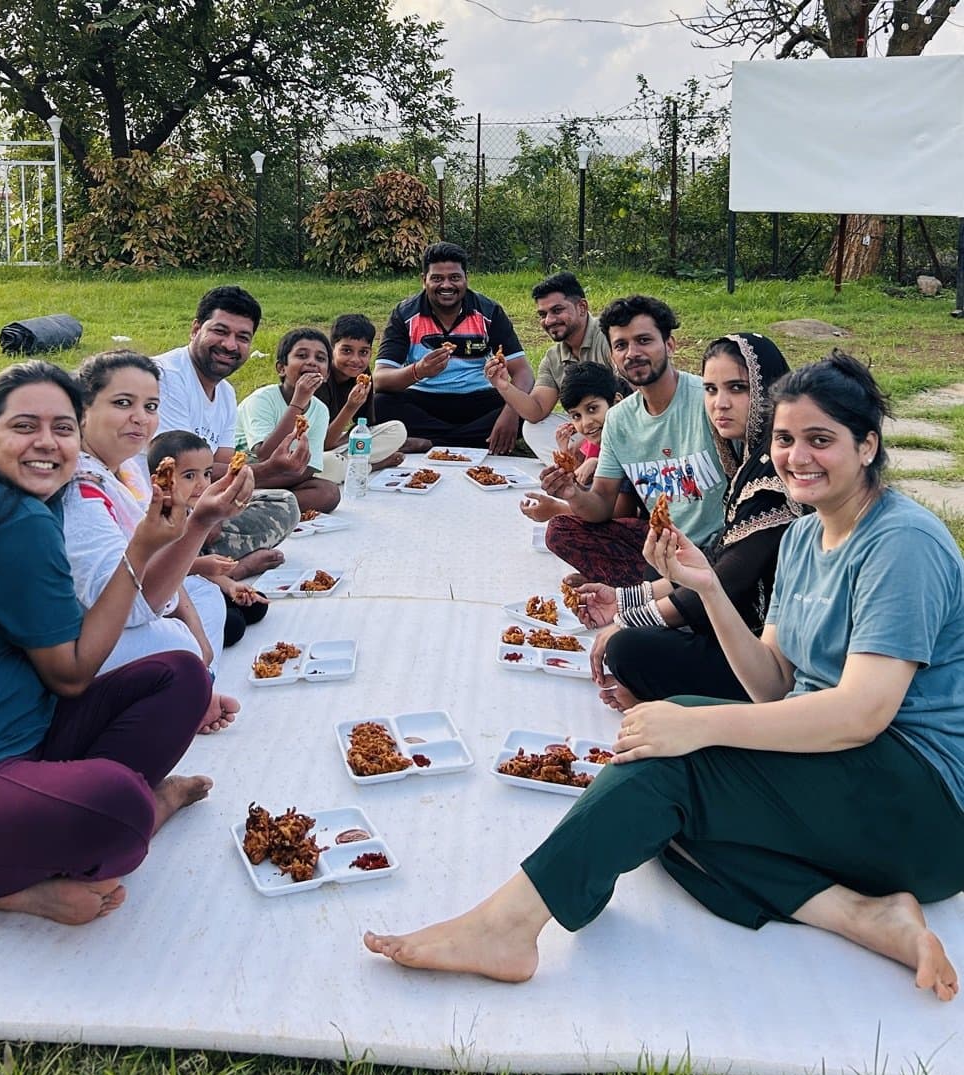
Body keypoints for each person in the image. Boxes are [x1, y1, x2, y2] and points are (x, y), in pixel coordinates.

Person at [364, 350, 964, 1002]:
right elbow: (772, 684)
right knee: (655, 816)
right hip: (842, 774)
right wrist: (707, 589)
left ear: (867, 445)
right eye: (786, 439)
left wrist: (699, 725)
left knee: (668, 762)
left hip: (921, 806)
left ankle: (508, 927)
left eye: (821, 440)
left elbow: (861, 715)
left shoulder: (901, 543)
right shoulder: (802, 538)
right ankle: (864, 915)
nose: (797, 457)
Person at [0, 361, 228, 924]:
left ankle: (54, 838)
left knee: (181, 676)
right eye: (25, 426)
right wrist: (142, 549)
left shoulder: (22, 501)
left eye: (62, 428)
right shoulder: (12, 515)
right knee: (119, 803)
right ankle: (16, 878)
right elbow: (71, 673)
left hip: (18, 737)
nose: (47, 442)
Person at [580, 333, 803, 707]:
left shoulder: (774, 473)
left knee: (627, 649)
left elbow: (727, 580)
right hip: (738, 620)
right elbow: (717, 564)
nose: (720, 403)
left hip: (774, 664)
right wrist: (624, 599)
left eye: (737, 388)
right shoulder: (749, 460)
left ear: (771, 392)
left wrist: (629, 620)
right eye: (711, 390)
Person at [63, 351, 240, 733]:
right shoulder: (80, 489)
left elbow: (163, 563)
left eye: (151, 406)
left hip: (141, 604)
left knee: (206, 599)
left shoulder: (129, 467)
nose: (140, 418)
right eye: (123, 403)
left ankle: (195, 688)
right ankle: (188, 698)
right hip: (83, 638)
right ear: (82, 409)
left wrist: (197, 636)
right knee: (178, 644)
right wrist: (200, 523)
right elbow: (124, 610)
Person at [540, 294, 726, 586]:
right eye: (621, 345)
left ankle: (650, 591)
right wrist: (571, 492)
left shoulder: (709, 398)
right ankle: (656, 588)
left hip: (720, 548)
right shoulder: (618, 419)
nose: (632, 353)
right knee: (560, 531)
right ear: (612, 357)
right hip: (661, 546)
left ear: (670, 345)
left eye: (644, 340)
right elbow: (602, 503)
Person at [153, 284, 307, 575]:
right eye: (220, 331)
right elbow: (177, 471)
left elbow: (224, 462)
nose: (230, 345)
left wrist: (226, 501)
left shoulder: (225, 392)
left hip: (196, 499)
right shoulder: (166, 378)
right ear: (195, 329)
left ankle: (198, 564)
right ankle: (211, 569)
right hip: (161, 505)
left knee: (284, 503)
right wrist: (268, 470)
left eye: (242, 337)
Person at [373, 242, 531, 452]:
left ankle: (430, 443)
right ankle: (469, 442)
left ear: (466, 279)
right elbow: (380, 379)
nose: (446, 285)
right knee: (377, 404)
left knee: (528, 406)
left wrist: (511, 413)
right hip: (423, 399)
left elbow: (523, 372)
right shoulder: (405, 314)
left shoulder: (489, 311)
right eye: (437, 278)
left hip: (478, 398)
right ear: (424, 280)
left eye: (454, 278)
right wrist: (418, 371)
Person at [147, 429, 270, 652]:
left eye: (207, 474)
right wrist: (202, 565)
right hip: (163, 600)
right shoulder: (156, 518)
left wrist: (231, 586)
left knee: (256, 605)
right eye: (189, 476)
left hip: (193, 584)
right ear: (162, 479)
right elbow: (159, 571)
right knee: (233, 625)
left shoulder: (187, 511)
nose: (202, 484)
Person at [485, 271, 616, 462]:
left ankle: (595, 466)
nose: (549, 321)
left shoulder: (610, 338)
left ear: (582, 307)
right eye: (542, 314)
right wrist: (503, 385)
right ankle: (576, 469)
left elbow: (634, 401)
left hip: (624, 424)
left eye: (557, 310)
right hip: (589, 426)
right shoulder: (553, 357)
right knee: (534, 428)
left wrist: (586, 444)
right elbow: (536, 411)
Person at [236, 328, 341, 514]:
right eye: (302, 355)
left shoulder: (320, 410)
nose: (312, 362)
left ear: (326, 375)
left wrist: (288, 479)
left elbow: (310, 467)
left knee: (329, 493)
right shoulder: (262, 399)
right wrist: (298, 402)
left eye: (320, 358)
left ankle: (260, 507)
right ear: (281, 368)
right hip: (249, 471)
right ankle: (263, 505)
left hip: (285, 476)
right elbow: (264, 454)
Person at [315, 313, 429, 481]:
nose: (355, 360)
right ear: (331, 351)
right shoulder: (321, 379)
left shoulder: (363, 376)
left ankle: (353, 461)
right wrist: (350, 407)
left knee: (397, 429)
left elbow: (365, 426)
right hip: (311, 450)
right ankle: (370, 465)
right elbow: (324, 444)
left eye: (363, 352)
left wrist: (347, 441)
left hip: (336, 443)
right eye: (346, 351)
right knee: (331, 462)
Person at [517, 361, 632, 521]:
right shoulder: (603, 442)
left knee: (561, 528)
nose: (586, 423)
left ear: (617, 402)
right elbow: (586, 485)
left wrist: (558, 509)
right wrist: (571, 490)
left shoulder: (629, 444)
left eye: (592, 409)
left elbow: (620, 515)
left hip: (646, 527)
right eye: (576, 416)